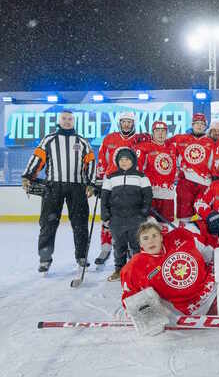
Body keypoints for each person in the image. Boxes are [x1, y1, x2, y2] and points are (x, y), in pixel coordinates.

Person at [22, 110, 97, 273]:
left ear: (74, 121)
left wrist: (91, 183)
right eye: (64, 118)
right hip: (53, 186)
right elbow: (37, 157)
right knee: (48, 223)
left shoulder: (82, 141)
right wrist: (27, 175)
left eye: (70, 119)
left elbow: (90, 162)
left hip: (77, 187)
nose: (67, 121)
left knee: (80, 223)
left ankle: (82, 256)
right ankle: (45, 258)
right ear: (59, 121)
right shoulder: (49, 139)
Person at [120, 221, 216, 320]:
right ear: (140, 244)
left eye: (154, 236)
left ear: (161, 237)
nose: (151, 241)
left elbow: (208, 251)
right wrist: (139, 312)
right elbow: (130, 298)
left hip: (211, 293)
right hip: (182, 311)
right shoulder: (135, 267)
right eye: (145, 238)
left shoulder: (180, 237)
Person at [94, 111, 150, 266]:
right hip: (112, 183)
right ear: (120, 123)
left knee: (132, 218)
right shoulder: (110, 138)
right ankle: (105, 247)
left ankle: (132, 248)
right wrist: (99, 180)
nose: (126, 124)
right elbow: (102, 160)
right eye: (124, 121)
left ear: (133, 123)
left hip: (132, 184)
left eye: (129, 122)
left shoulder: (139, 139)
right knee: (109, 216)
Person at [101, 148, 153, 281]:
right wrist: (105, 215)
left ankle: (138, 270)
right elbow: (105, 198)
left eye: (127, 159)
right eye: (121, 160)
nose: (124, 162)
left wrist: (144, 212)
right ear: (117, 162)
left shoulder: (141, 177)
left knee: (137, 245)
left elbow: (148, 196)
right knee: (119, 245)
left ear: (133, 161)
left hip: (136, 218)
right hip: (116, 218)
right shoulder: (111, 177)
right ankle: (120, 269)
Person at [169, 113, 215, 223]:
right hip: (186, 182)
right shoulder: (181, 139)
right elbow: (163, 144)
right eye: (197, 123)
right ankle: (185, 237)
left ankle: (201, 239)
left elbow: (214, 164)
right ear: (192, 125)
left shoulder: (211, 142)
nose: (199, 126)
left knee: (202, 215)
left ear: (205, 126)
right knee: (184, 218)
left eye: (202, 124)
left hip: (204, 184)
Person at [135, 121, 177, 223]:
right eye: (157, 131)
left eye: (163, 131)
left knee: (166, 228)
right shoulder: (144, 147)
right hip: (151, 194)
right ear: (152, 133)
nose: (160, 133)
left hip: (168, 195)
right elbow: (137, 170)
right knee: (150, 227)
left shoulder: (172, 148)